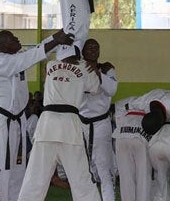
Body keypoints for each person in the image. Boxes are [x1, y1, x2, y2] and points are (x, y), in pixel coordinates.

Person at [0, 29, 73, 201]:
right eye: (12, 39)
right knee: (1, 169)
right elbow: (30, 57)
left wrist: (57, 36)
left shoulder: (15, 58)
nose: (17, 39)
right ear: (3, 46)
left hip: (18, 121)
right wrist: (56, 41)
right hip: (5, 124)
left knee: (18, 170)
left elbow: (38, 50)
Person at [16, 50, 102, 201]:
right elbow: (95, 88)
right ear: (78, 54)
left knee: (35, 178)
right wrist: (93, 69)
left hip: (47, 126)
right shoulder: (83, 67)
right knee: (81, 179)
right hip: (69, 128)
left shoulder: (51, 65)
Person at [78, 39, 118, 201]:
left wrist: (98, 73)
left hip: (101, 124)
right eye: (90, 48)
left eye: (96, 47)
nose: (93, 50)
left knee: (104, 169)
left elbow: (112, 90)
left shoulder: (107, 69)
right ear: (83, 51)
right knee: (84, 170)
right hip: (81, 124)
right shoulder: (77, 69)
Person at [112, 97, 151, 201]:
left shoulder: (122, 98)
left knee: (126, 178)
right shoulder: (150, 98)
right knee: (143, 178)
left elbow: (117, 118)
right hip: (142, 134)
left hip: (122, 134)